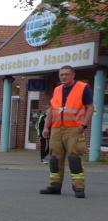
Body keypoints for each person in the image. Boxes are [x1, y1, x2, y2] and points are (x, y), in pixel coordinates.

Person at [39, 65, 93, 198]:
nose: (64, 77)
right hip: (56, 129)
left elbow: (90, 107)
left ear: (73, 75)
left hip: (74, 129)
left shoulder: (83, 87)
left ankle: (78, 187)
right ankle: (55, 186)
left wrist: (83, 124)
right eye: (61, 74)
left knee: (74, 158)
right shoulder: (57, 89)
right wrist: (46, 127)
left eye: (67, 74)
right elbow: (51, 110)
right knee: (54, 159)